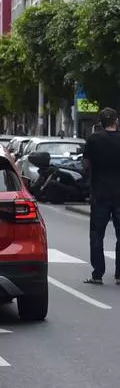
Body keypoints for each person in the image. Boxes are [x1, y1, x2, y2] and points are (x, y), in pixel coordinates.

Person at [83, 107, 120, 284]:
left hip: (100, 193)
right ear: (116, 121)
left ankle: (97, 273)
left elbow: (85, 165)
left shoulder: (93, 139)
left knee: (97, 234)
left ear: (101, 122)